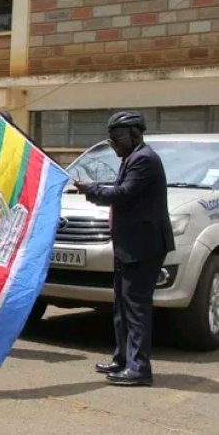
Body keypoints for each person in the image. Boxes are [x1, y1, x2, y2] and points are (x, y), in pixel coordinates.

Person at [73, 111, 174, 387]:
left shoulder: (144, 160)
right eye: (110, 138)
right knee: (121, 305)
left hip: (144, 246)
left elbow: (123, 194)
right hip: (128, 245)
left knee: (136, 307)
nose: (112, 143)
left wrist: (90, 189)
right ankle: (123, 359)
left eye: (116, 138)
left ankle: (139, 368)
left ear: (134, 134)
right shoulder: (131, 157)